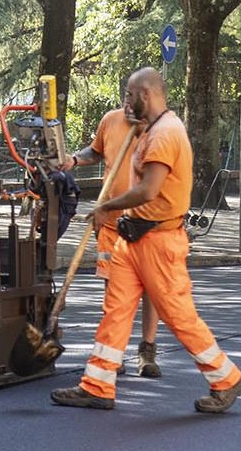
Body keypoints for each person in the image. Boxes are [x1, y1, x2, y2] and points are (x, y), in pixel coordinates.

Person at [51, 67, 241, 413]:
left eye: (129, 94)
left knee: (179, 316)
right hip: (132, 238)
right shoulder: (149, 129)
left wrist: (106, 205)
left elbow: (148, 190)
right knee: (116, 310)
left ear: (145, 94)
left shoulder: (165, 134)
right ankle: (97, 386)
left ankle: (227, 379)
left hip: (158, 241)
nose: (125, 101)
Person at [62, 105, 162, 378]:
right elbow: (95, 151)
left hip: (147, 221)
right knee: (115, 290)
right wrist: (73, 159)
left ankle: (147, 352)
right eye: (126, 95)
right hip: (110, 222)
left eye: (134, 96)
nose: (129, 102)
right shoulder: (110, 120)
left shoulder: (159, 125)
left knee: (150, 288)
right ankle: (114, 353)